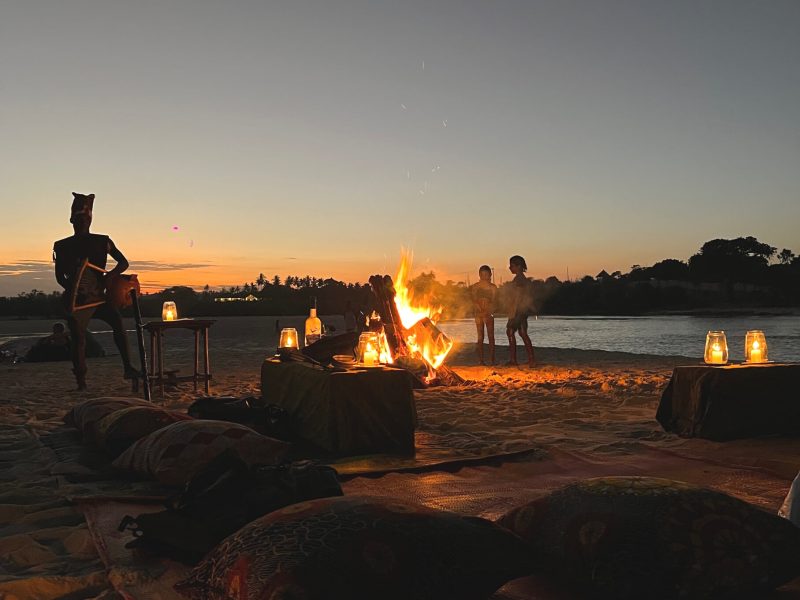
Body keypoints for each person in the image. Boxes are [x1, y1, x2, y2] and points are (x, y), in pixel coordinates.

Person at [53, 192, 138, 390]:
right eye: (78, 219)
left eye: (85, 218)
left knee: (118, 323)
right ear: (71, 220)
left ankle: (128, 368)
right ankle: (81, 381)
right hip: (78, 299)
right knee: (78, 338)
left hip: (100, 295)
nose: (82, 222)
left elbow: (123, 262)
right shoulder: (62, 246)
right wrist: (74, 289)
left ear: (90, 219)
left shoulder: (102, 241)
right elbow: (59, 277)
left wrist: (111, 276)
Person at [506, 255, 535, 367]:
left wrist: (513, 311)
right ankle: (531, 360)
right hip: (523, 310)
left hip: (519, 310)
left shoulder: (519, 279)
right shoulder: (521, 278)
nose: (510, 268)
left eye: (512, 265)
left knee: (509, 331)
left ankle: (513, 360)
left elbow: (518, 297)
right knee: (523, 333)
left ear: (518, 266)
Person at [470, 265, 497, 365]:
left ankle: (492, 360)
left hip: (489, 314)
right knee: (480, 337)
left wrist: (488, 311)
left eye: (486, 274)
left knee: (491, 336)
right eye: (482, 274)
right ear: (479, 275)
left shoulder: (493, 287)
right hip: (478, 314)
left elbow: (494, 302)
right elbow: (473, 300)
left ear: (490, 274)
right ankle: (481, 360)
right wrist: (478, 308)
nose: (484, 276)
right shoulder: (475, 287)